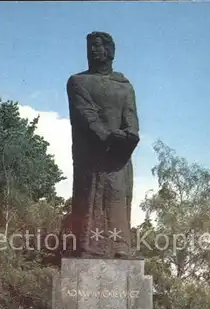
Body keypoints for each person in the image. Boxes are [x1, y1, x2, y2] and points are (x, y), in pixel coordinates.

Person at [66, 31, 140, 258]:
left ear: (110, 51)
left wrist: (131, 136)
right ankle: (89, 248)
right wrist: (107, 135)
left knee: (118, 197)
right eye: (90, 46)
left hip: (118, 156)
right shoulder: (78, 82)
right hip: (91, 156)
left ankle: (120, 247)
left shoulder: (124, 85)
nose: (93, 50)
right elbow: (85, 115)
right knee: (90, 200)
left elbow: (131, 118)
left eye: (98, 46)